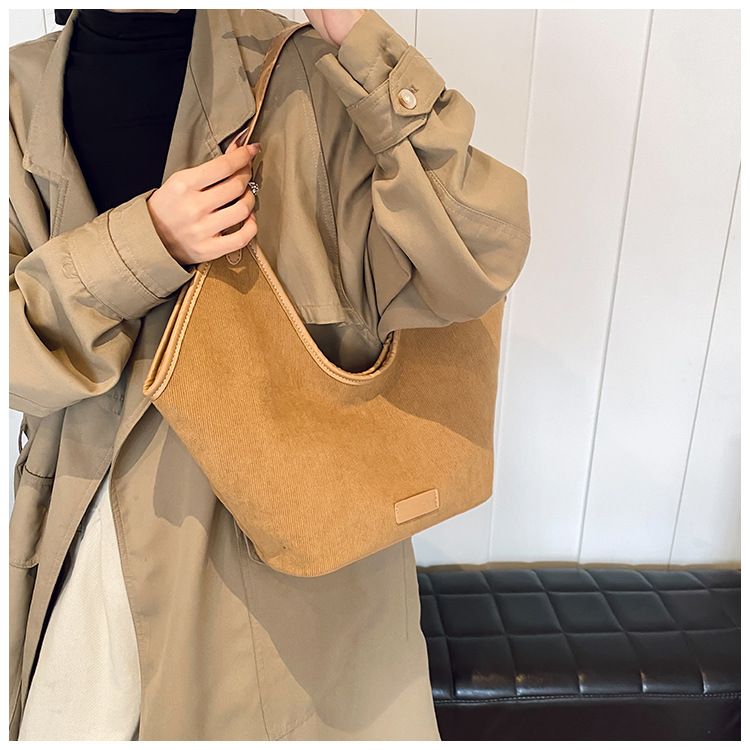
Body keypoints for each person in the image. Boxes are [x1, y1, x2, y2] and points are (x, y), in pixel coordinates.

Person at [9, 8, 532, 741]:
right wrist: (146, 242)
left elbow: (478, 258)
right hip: (84, 555)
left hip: (290, 588)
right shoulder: (18, 94)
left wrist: (365, 46)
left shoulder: (306, 70)